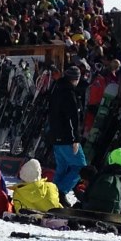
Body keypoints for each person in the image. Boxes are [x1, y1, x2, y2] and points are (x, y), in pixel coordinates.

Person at [48, 64, 86, 200]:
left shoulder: (56, 89)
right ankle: (61, 191)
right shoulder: (70, 94)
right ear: (75, 79)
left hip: (55, 135)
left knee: (62, 167)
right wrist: (76, 139)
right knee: (80, 167)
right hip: (67, 138)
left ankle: (52, 195)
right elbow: (73, 119)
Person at [80, 147, 121, 216]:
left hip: (90, 210)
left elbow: (87, 195)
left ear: (110, 159)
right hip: (112, 215)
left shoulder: (100, 174)